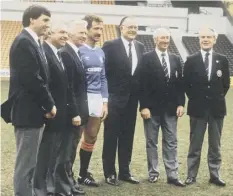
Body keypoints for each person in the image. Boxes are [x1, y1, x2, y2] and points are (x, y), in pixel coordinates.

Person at [3, 5, 56, 196]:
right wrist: (49, 104)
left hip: (33, 112)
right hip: (27, 113)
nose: (48, 25)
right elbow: (33, 79)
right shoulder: (24, 42)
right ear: (32, 19)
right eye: (45, 20)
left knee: (30, 165)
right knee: (25, 166)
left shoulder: (33, 42)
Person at [32, 20, 81, 196]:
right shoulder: (44, 52)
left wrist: (72, 111)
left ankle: (49, 189)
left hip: (59, 115)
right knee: (44, 157)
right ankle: (39, 190)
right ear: (50, 33)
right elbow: (42, 85)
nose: (65, 36)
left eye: (67, 33)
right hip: (49, 114)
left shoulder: (57, 53)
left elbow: (66, 88)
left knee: (52, 156)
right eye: (61, 32)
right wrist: (48, 107)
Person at [183, 27, 230, 186]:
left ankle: (215, 175)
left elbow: (225, 85)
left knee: (215, 145)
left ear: (214, 39)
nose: (205, 39)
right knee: (195, 145)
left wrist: (214, 98)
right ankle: (191, 175)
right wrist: (198, 99)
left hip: (217, 109)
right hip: (197, 108)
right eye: (203, 36)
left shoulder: (222, 59)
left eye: (209, 37)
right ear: (199, 39)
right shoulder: (191, 59)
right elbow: (186, 85)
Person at [140, 28, 185, 187]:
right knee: (152, 142)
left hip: (171, 109)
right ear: (155, 40)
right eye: (162, 38)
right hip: (151, 110)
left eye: (167, 38)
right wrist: (144, 106)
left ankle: (172, 175)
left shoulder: (175, 58)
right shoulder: (146, 58)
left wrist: (181, 103)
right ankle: (153, 173)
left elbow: (180, 84)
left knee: (171, 142)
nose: (165, 40)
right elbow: (142, 84)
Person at [102, 16, 144, 186]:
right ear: (121, 28)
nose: (133, 30)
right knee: (111, 137)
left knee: (128, 137)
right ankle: (109, 173)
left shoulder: (140, 47)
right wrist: (106, 98)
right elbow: (103, 74)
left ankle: (125, 172)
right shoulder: (110, 46)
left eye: (135, 27)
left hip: (132, 102)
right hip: (114, 100)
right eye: (129, 27)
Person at [75, 14, 108, 187]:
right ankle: (65, 174)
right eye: (95, 28)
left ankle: (82, 174)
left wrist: (105, 102)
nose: (99, 32)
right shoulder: (78, 50)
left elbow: (103, 78)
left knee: (92, 136)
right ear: (86, 29)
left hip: (97, 99)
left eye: (101, 29)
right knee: (74, 138)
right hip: (82, 97)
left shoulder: (101, 52)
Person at [59, 19, 89, 195]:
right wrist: (74, 112)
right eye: (81, 33)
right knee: (66, 152)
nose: (84, 36)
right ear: (70, 33)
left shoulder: (74, 52)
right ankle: (64, 186)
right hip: (73, 114)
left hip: (78, 113)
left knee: (71, 151)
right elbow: (68, 88)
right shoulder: (66, 53)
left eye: (85, 32)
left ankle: (69, 183)